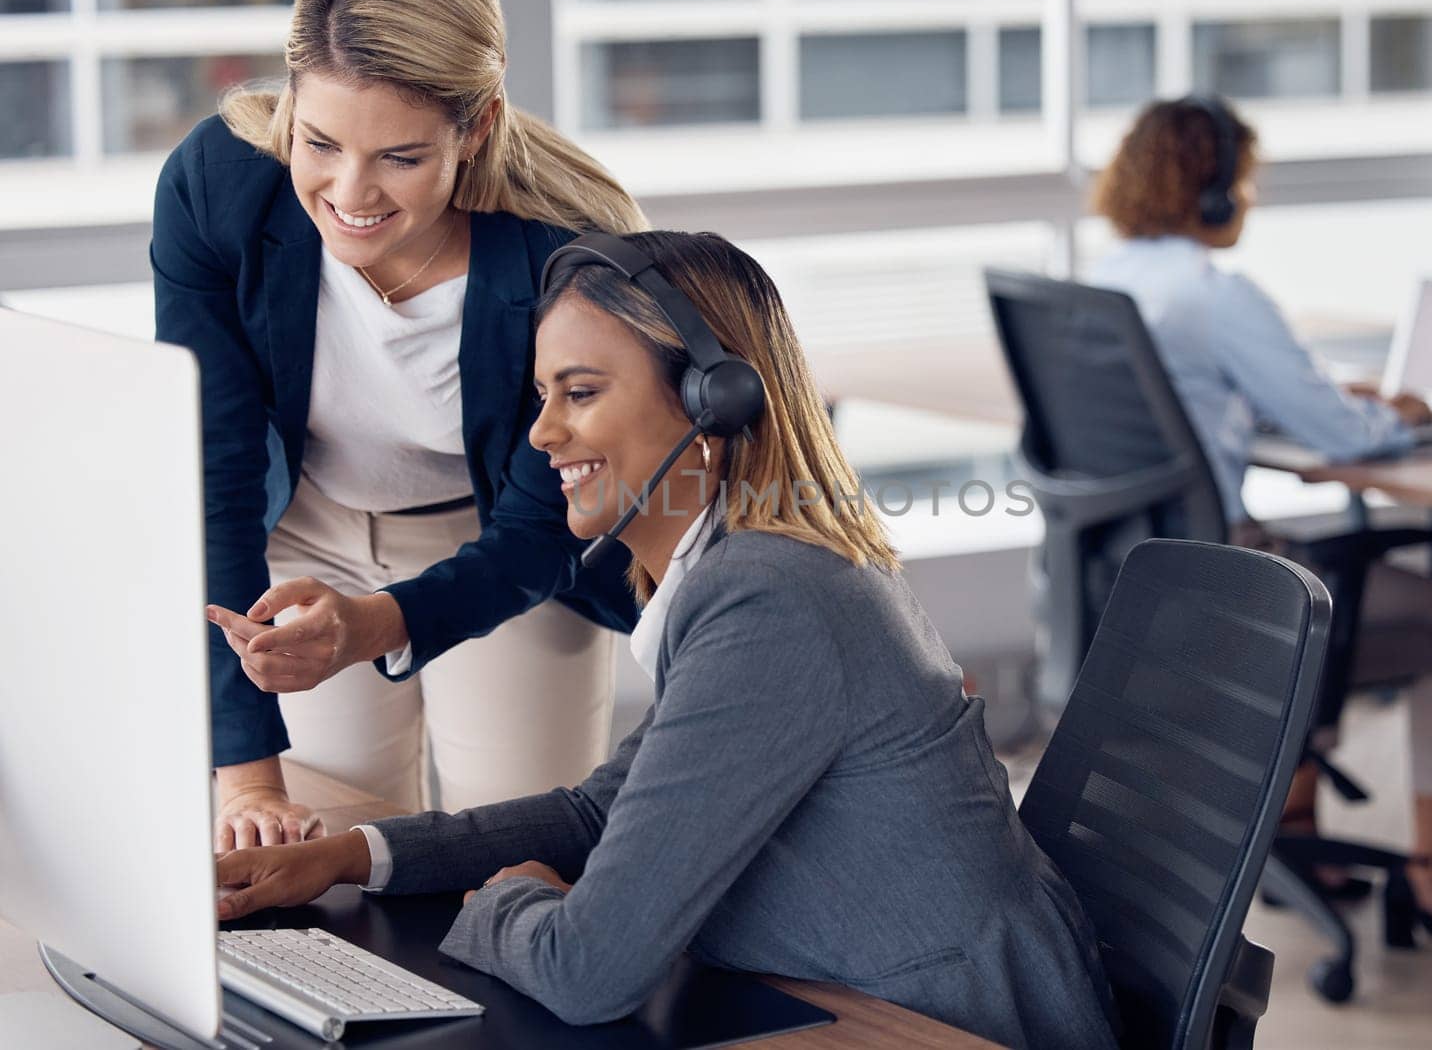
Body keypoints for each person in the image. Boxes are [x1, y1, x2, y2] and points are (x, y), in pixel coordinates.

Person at [212, 230, 1121, 1050]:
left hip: (937, 1028)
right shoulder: (742, 573)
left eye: (581, 392)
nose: (542, 432)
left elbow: (586, 970)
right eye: (542, 395)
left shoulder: (774, 600)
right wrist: (346, 856)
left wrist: (504, 905)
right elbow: (598, 813)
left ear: (713, 401)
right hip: (851, 998)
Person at [152, 0, 645, 852]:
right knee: (325, 850)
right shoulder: (218, 186)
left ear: (479, 127)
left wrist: (379, 622)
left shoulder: (569, 252)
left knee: (514, 854)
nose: (350, 193)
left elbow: (547, 520)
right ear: (292, 103)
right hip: (307, 525)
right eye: (320, 142)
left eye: (402, 158)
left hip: (501, 539)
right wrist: (247, 783)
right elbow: (209, 471)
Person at [1085, 94, 1432, 946]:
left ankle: (1296, 836)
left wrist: (1303, 393)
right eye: (1244, 184)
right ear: (1211, 194)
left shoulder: (1106, 281)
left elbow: (1206, 403)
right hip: (1230, 592)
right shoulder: (1217, 294)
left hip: (1139, 580)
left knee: (1323, 568)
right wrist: (1397, 414)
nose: (1250, 201)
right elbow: (1345, 437)